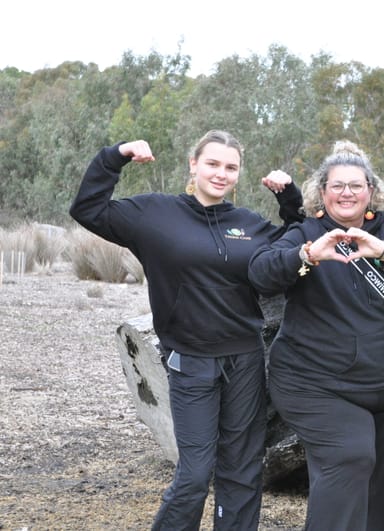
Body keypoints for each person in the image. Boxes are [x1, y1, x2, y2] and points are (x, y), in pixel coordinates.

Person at [69, 130, 304, 530]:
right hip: (191, 361)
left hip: (245, 358)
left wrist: (290, 201)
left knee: (243, 468)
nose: (221, 173)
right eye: (212, 163)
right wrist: (116, 156)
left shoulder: (248, 224)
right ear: (193, 165)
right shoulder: (154, 215)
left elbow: (294, 249)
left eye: (230, 167)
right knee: (195, 474)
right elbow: (88, 208)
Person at [247, 140, 384, 531]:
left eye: (355, 185)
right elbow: (261, 273)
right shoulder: (306, 232)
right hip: (314, 382)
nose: (347, 192)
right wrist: (307, 255)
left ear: (371, 191)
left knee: (372, 488)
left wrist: (382, 249)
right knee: (350, 456)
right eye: (337, 186)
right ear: (323, 191)